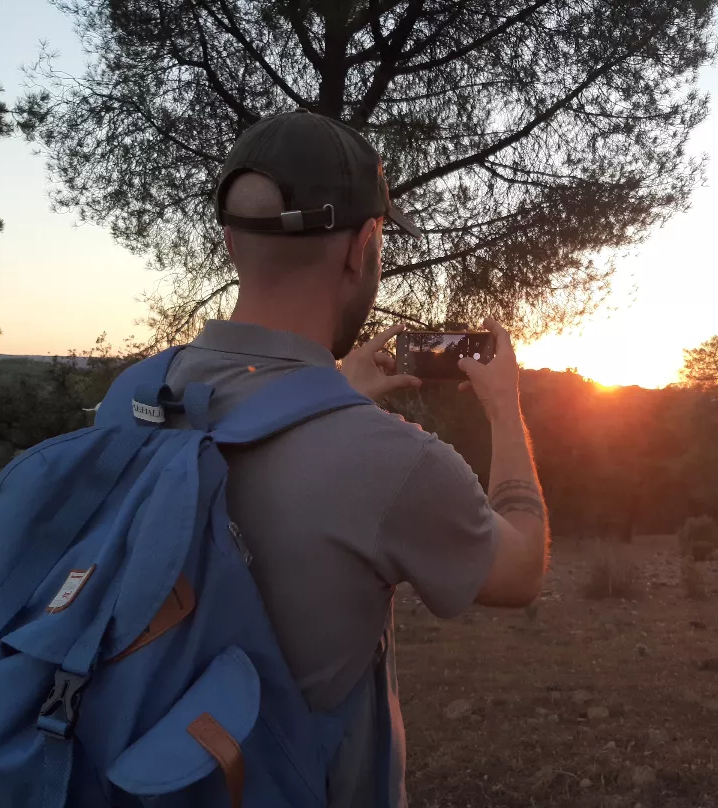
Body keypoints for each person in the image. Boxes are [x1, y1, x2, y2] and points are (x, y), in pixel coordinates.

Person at [162, 108, 549, 807]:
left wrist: (328, 395)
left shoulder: (143, 396)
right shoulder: (391, 462)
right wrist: (504, 408)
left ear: (229, 239)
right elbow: (520, 568)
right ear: (362, 245)